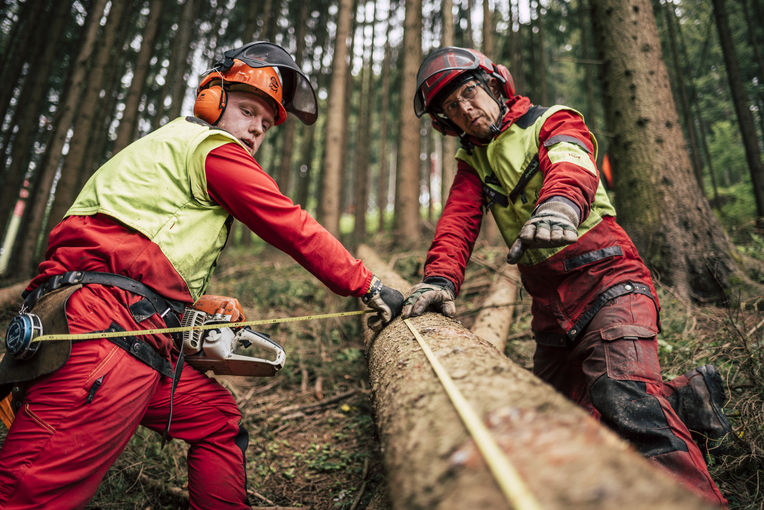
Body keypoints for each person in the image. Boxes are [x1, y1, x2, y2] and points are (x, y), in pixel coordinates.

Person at [0, 41, 403, 509]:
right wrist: (368, 284)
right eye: (248, 111)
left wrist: (186, 308)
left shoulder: (169, 151)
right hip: (106, 334)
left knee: (216, 420)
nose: (255, 129)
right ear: (213, 100)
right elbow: (291, 225)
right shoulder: (211, 149)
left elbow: (130, 251)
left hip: (125, 329)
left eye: (265, 123)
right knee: (26, 494)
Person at [404, 46, 731, 506]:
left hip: (611, 281)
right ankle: (688, 397)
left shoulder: (551, 120)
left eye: (470, 93)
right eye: (452, 108)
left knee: (626, 402)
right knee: (563, 420)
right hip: (551, 308)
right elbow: (458, 220)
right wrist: (440, 280)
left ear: (495, 85)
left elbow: (571, 161)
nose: (466, 111)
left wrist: (559, 204)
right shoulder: (473, 161)